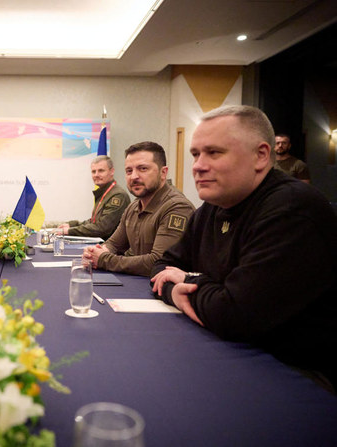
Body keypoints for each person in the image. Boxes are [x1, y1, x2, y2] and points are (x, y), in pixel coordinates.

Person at [151, 105, 337, 391]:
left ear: (260, 156)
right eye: (196, 154)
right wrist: (173, 290)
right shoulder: (211, 208)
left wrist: (188, 281)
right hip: (229, 349)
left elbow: (234, 314)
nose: (198, 165)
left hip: (295, 374)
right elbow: (162, 266)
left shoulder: (291, 208)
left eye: (214, 152)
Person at [83, 142, 194, 276]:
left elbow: (159, 262)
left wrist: (104, 259)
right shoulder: (134, 206)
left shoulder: (177, 207)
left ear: (163, 173)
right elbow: (114, 244)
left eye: (143, 169)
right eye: (129, 171)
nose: (134, 176)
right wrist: (95, 252)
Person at [56, 155, 130, 240]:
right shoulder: (104, 192)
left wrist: (69, 231)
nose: (96, 175)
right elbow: (94, 222)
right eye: (93, 172)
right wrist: (72, 225)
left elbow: (102, 228)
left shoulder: (118, 196)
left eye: (101, 171)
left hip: (110, 247)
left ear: (112, 171)